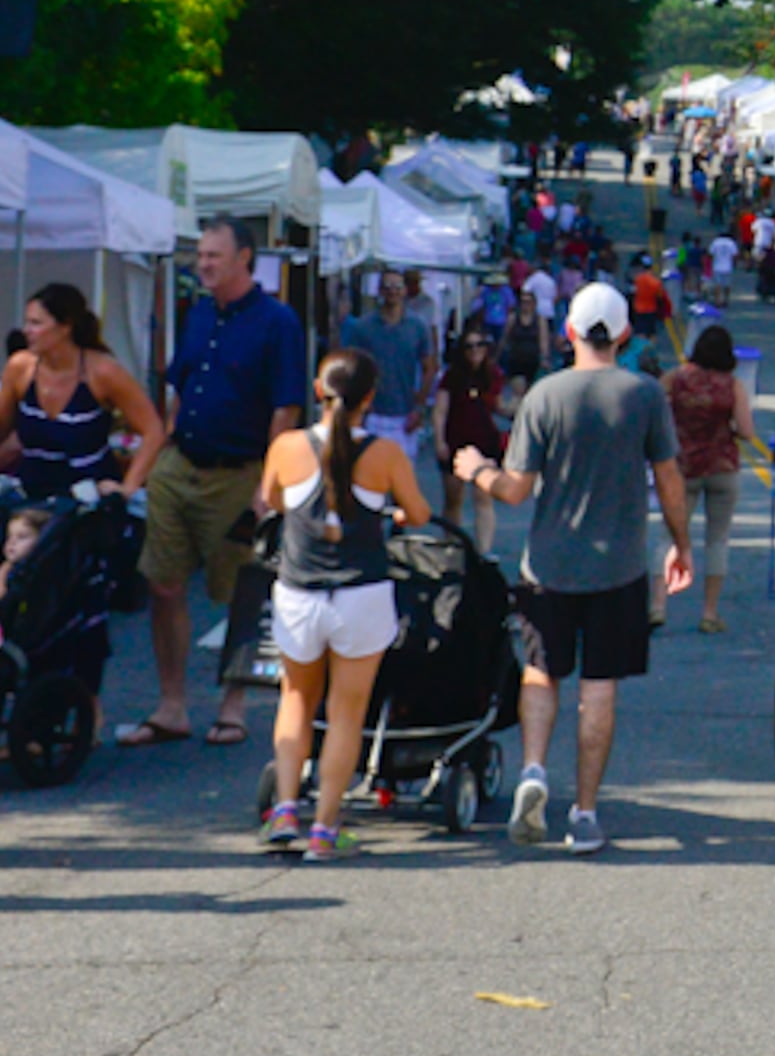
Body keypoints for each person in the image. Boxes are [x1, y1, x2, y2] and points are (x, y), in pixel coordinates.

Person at [448, 282, 691, 854]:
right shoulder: (645, 395)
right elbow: (670, 479)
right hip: (620, 566)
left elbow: (515, 491)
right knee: (599, 687)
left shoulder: (544, 396)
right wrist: (681, 544)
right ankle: (584, 813)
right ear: (625, 334)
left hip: (548, 565)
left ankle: (534, 770)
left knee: (540, 671)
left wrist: (476, 469)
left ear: (569, 332)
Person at [128, 218, 308, 750]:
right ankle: (172, 704)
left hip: (240, 470)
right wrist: (160, 450)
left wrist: (269, 485)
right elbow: (182, 385)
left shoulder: (278, 322)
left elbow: (287, 406)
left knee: (241, 593)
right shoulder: (199, 313)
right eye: (200, 255)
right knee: (162, 581)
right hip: (181, 462)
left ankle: (232, 705)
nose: (203, 264)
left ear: (244, 258)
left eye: (213, 256)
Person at [254, 349, 433, 860]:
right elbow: (419, 512)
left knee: (296, 700)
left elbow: (272, 499)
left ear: (318, 390)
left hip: (299, 591)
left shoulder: (287, 446)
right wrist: (390, 512)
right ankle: (325, 831)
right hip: (361, 594)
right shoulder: (385, 454)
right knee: (346, 713)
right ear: (370, 399)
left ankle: (285, 810)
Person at [0, 282, 163, 501]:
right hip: (32, 496)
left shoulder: (103, 371)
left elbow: (153, 430)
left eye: (36, 323)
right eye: (27, 322)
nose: (26, 331)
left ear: (65, 327)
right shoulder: (20, 367)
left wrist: (127, 488)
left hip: (89, 498)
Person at [666, 324, 754, 635]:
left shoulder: (676, 379)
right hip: (722, 466)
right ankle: (709, 611)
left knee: (673, 534)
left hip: (683, 466)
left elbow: (657, 413)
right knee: (717, 539)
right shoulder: (733, 386)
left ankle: (656, 605)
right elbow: (746, 430)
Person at [340, 271, 437, 474]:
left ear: (405, 291)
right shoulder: (363, 327)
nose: (393, 291)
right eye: (388, 286)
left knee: (403, 479)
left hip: (405, 415)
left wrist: (420, 407)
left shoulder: (418, 326)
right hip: (372, 414)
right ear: (380, 291)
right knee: (369, 478)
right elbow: (352, 366)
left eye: (397, 286)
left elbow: (430, 367)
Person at [442, 324, 508, 549]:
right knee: (453, 499)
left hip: (484, 440)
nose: (475, 351)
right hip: (456, 439)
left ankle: (483, 551)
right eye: (469, 347)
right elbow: (440, 411)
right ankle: (451, 547)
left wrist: (518, 410)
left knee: (483, 498)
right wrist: (440, 440)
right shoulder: (452, 377)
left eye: (480, 345)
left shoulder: (492, 375)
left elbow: (498, 406)